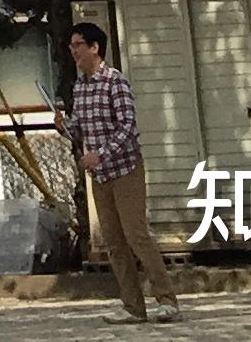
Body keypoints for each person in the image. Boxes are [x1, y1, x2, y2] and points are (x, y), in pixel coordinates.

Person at [62, 19, 179, 323]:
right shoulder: (80, 86)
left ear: (94, 47)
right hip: (100, 177)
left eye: (78, 45)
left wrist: (99, 155)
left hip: (125, 169)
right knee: (114, 243)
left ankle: (167, 300)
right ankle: (133, 306)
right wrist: (64, 126)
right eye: (71, 45)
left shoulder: (115, 81)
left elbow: (127, 126)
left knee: (137, 235)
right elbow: (79, 129)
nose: (73, 50)